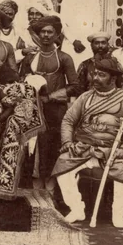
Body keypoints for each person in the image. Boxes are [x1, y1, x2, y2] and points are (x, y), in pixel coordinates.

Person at [53, 57, 123, 227]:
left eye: (101, 75)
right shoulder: (85, 97)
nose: (95, 78)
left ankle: (118, 213)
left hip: (113, 150)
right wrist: (67, 142)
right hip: (84, 147)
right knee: (62, 164)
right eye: (95, 74)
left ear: (113, 79)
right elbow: (68, 120)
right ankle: (77, 209)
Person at [19, 14, 78, 190]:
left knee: (53, 146)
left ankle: (51, 189)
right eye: (42, 32)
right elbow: (22, 79)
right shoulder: (30, 58)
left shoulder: (64, 57)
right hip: (34, 108)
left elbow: (75, 86)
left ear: (56, 35)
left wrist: (50, 97)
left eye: (49, 32)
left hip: (56, 110)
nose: (45, 35)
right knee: (34, 147)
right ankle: (35, 189)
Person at [60, 0, 102, 64]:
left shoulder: (93, 1)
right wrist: (74, 41)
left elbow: (97, 25)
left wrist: (84, 40)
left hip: (86, 43)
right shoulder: (67, 0)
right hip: (69, 42)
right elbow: (62, 24)